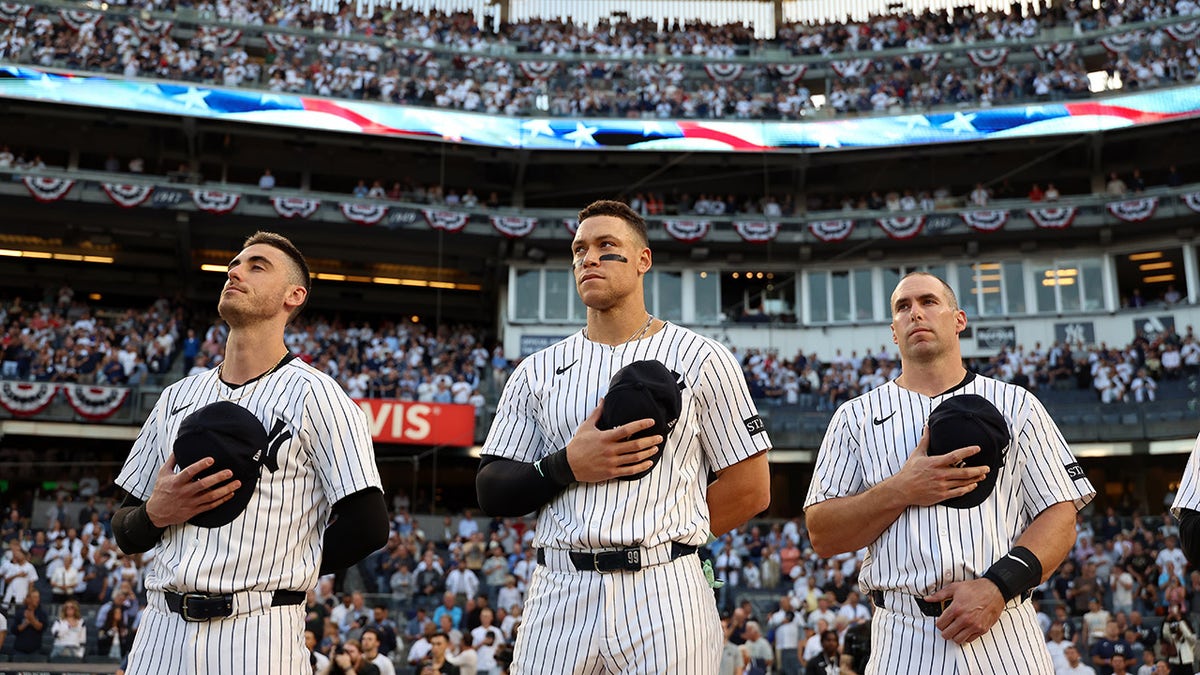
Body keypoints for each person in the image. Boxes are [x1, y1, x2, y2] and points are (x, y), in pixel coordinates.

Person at [475, 199, 772, 674]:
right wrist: (567, 466)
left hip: (665, 592)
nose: (587, 258)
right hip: (561, 588)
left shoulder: (704, 358)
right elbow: (491, 487)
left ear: (643, 260)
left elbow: (752, 488)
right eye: (578, 250)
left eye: (605, 246)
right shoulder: (537, 370)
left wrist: (669, 540)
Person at [110, 231, 389, 674]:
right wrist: (154, 514)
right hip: (160, 629)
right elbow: (124, 530)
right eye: (234, 265)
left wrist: (283, 570)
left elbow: (369, 525)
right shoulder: (177, 396)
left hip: (260, 630)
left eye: (257, 266)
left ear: (293, 296)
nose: (235, 271)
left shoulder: (320, 397)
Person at [804, 271, 1096, 674]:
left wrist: (998, 585)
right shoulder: (853, 417)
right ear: (893, 331)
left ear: (959, 319)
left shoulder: (1017, 405)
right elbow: (822, 534)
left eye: (928, 302)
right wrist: (902, 489)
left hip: (1004, 624)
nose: (915, 314)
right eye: (903, 307)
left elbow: (1061, 516)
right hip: (902, 633)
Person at [11, 588, 47, 657]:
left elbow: (41, 628)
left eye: (38, 597)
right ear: (28, 599)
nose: (37, 599)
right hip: (19, 649)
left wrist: (32, 619)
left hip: (35, 650)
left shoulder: (42, 613)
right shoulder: (20, 612)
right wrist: (26, 623)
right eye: (35, 597)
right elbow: (14, 630)